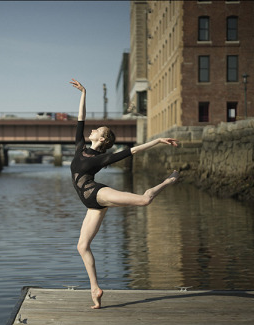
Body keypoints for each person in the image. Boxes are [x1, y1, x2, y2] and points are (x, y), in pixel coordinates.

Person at [69, 79, 180, 309]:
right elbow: (81, 118)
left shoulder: (102, 158)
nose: (92, 129)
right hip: (91, 206)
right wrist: (84, 92)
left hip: (97, 195)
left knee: (145, 200)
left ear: (101, 139)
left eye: (97, 130)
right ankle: (95, 290)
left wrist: (158, 140)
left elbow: (133, 150)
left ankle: (169, 180)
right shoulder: (80, 146)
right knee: (82, 246)